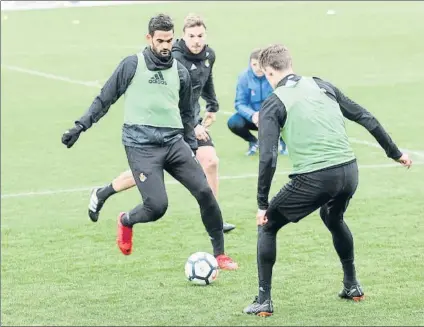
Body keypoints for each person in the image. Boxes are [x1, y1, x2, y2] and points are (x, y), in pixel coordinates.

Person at [243, 44, 412, 316]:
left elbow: (268, 158)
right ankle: (352, 285)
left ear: (268, 72)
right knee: (333, 217)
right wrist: (395, 153)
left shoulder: (273, 102)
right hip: (349, 172)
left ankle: (264, 300)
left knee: (269, 225)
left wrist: (262, 204)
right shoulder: (322, 85)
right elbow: (364, 116)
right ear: (290, 63)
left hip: (317, 178)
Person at [61, 14, 238, 270]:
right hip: (140, 144)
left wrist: (191, 145)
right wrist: (81, 126)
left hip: (173, 142)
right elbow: (105, 98)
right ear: (149, 38)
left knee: (204, 192)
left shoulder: (179, 71)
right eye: (160, 40)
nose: (166, 46)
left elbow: (188, 113)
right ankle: (126, 220)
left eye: (169, 40)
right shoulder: (132, 65)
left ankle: (220, 255)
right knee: (157, 207)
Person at [227, 49, 287, 156]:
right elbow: (239, 103)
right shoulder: (244, 77)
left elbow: (283, 100)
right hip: (254, 118)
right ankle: (253, 142)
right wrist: (252, 115)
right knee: (234, 122)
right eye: (254, 64)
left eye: (260, 64)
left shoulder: (274, 76)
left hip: (273, 116)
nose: (258, 68)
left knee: (288, 116)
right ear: (250, 64)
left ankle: (283, 141)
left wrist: (268, 114)